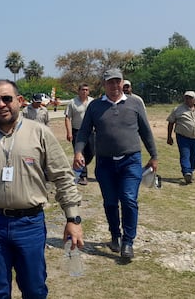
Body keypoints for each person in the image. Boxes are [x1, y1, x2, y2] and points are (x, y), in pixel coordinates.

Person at [0, 80, 83, 298]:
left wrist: (72, 219)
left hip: (29, 224)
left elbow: (63, 177)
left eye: (7, 98)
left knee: (34, 288)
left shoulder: (40, 133)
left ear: (19, 101)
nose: (1, 104)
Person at [74, 68, 158, 260]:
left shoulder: (135, 103)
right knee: (110, 202)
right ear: (104, 84)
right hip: (105, 163)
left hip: (131, 161)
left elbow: (146, 132)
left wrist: (154, 156)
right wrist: (78, 151)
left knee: (128, 199)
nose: (114, 85)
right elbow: (84, 132)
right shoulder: (95, 106)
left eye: (117, 81)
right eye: (110, 82)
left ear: (122, 83)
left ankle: (128, 242)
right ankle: (115, 237)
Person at [166, 91, 195, 185]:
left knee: (193, 156)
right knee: (185, 155)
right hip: (182, 137)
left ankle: (190, 171)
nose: (187, 99)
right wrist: (169, 137)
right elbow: (171, 122)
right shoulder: (178, 109)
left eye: (190, 98)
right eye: (186, 97)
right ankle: (186, 172)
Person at [64, 83, 95, 185]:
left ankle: (81, 166)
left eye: (86, 90)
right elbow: (67, 118)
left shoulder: (93, 102)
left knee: (91, 152)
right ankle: (83, 176)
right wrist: (69, 132)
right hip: (77, 131)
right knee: (80, 153)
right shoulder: (72, 102)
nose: (84, 91)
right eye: (82, 89)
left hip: (91, 131)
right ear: (79, 91)